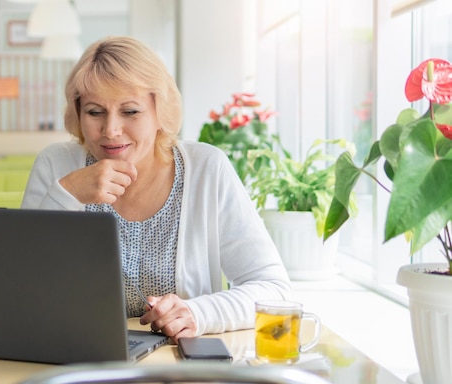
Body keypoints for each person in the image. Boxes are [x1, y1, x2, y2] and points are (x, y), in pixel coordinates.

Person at [21, 36, 291, 343]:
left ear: (160, 111)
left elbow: (274, 289)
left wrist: (198, 313)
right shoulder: (56, 164)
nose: (111, 130)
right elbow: (21, 290)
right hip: (79, 359)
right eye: (95, 112)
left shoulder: (206, 168)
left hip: (179, 368)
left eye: (130, 112)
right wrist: (67, 194)